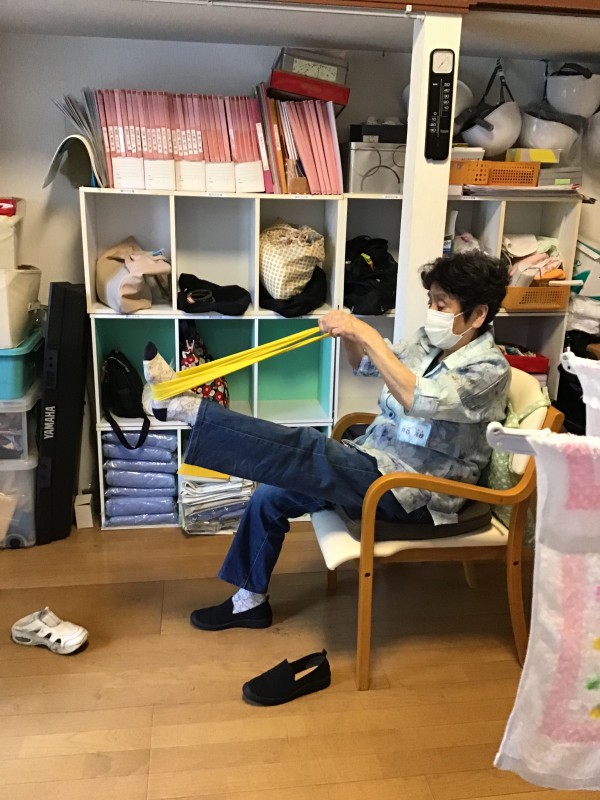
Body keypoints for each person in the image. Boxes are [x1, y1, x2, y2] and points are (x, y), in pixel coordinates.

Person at [142, 252, 511, 631]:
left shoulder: (489, 369)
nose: (431, 311)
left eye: (441, 305)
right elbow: (365, 364)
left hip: (416, 493)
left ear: (478, 314)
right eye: (430, 301)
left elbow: (416, 397)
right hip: (378, 462)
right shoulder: (427, 343)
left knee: (308, 448)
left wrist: (366, 333)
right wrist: (351, 335)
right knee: (271, 492)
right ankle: (248, 601)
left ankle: (190, 409)